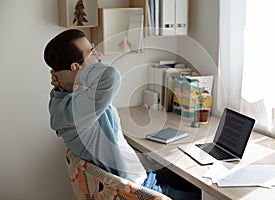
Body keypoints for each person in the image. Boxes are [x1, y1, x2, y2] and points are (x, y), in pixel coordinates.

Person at [44, 29, 202, 199]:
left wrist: (71, 77)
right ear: (76, 67)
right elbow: (111, 76)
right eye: (91, 52)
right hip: (140, 188)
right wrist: (73, 75)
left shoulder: (62, 101)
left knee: (193, 176)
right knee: (206, 192)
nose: (99, 54)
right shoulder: (76, 108)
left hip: (139, 175)